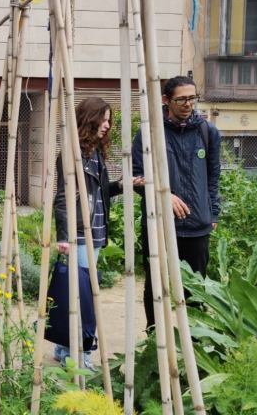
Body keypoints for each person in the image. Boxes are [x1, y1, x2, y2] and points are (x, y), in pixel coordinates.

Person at [52, 97, 143, 368]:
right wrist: (63, 235)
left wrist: (123, 184)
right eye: (103, 119)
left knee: (79, 293)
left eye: (109, 120)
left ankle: (63, 349)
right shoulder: (72, 155)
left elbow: (100, 193)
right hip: (80, 233)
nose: (107, 125)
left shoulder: (95, 155)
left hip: (97, 232)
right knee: (82, 296)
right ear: (88, 120)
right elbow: (63, 197)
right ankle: (79, 356)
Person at [131, 76, 221, 329]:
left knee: (195, 289)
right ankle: (155, 338)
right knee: (156, 286)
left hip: (197, 225)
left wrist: (213, 214)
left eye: (192, 98)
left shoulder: (207, 132)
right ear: (166, 100)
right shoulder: (150, 132)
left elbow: (214, 176)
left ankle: (194, 342)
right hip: (159, 223)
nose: (188, 104)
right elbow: (137, 176)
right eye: (181, 99)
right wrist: (164, 194)